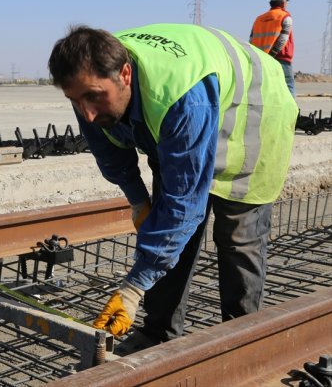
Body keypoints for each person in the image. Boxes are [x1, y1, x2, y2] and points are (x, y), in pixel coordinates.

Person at [48, 23, 297, 354]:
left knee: (238, 237)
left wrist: (133, 288)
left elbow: (183, 208)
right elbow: (110, 153)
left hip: (254, 119)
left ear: (124, 74)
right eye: (76, 101)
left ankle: (241, 340)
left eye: (94, 97)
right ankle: (159, 333)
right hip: (194, 114)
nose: (87, 114)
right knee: (165, 224)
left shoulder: (178, 97)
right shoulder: (86, 81)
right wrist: (139, 201)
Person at [250, 0, 295, 96]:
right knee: (288, 84)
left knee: (268, 86)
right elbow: (283, 38)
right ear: (283, 3)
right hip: (280, 56)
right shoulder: (285, 17)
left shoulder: (259, 19)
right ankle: (290, 111)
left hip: (261, 58)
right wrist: (273, 53)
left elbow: (251, 39)